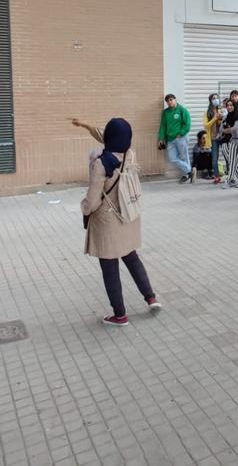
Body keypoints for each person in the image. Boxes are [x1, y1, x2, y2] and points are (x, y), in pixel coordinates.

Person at [80, 118, 161, 327]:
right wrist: (86, 125)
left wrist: (84, 209)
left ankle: (120, 315)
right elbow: (106, 135)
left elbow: (92, 200)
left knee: (110, 268)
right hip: (128, 216)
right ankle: (150, 297)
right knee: (132, 258)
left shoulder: (102, 163)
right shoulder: (129, 153)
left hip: (108, 222)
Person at [157, 94, 194, 184]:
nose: (169, 102)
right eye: (168, 101)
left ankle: (186, 175)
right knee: (172, 158)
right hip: (170, 139)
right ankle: (190, 171)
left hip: (181, 137)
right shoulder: (165, 112)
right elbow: (163, 126)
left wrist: (181, 133)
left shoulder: (182, 110)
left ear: (175, 100)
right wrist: (161, 138)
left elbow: (187, 124)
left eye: (171, 100)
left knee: (184, 156)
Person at [218, 100, 238, 189]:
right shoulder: (226, 116)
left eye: (231, 105)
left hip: (236, 141)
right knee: (232, 161)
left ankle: (229, 180)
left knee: (233, 161)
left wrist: (227, 130)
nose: (229, 107)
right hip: (225, 141)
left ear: (235, 106)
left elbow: (236, 128)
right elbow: (221, 129)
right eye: (228, 105)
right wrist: (227, 129)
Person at [203, 94, 222, 184]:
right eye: (213, 98)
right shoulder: (207, 113)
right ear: (210, 101)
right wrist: (215, 118)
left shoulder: (222, 109)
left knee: (228, 157)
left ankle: (231, 175)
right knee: (214, 159)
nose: (216, 100)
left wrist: (221, 118)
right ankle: (217, 176)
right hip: (214, 138)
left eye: (217, 98)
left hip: (223, 137)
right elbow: (206, 125)